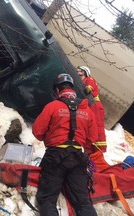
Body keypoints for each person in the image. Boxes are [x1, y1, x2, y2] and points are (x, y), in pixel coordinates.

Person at [32, 73, 98, 216]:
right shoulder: (87, 110)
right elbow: (92, 138)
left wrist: (51, 139)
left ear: (57, 90)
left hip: (55, 156)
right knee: (82, 201)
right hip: (77, 158)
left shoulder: (52, 106)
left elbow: (38, 131)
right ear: (73, 89)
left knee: (47, 199)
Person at [77, 66, 107, 153]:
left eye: (80, 70)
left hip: (95, 106)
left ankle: (98, 149)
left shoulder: (89, 79)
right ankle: (89, 148)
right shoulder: (82, 80)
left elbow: (90, 88)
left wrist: (88, 88)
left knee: (97, 126)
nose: (78, 71)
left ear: (85, 72)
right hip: (90, 105)